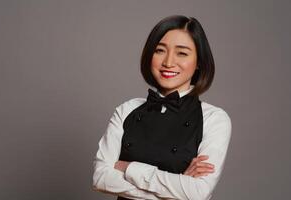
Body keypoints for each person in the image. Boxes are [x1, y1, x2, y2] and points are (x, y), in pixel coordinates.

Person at [92, 15, 232, 200]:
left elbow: (198, 192)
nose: (168, 62)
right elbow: (100, 178)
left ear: (199, 62)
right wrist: (179, 184)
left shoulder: (214, 119)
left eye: (182, 53)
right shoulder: (126, 110)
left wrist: (129, 168)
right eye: (160, 50)